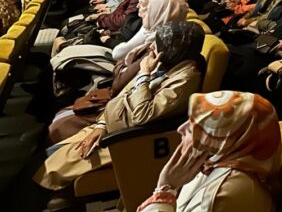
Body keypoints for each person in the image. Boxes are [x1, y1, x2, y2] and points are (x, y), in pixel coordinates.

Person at [36, 20, 206, 191]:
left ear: (174, 48)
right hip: (111, 125)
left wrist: (144, 74)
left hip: (129, 139)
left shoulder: (184, 79)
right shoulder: (166, 64)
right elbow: (123, 95)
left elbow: (142, 114)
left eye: (158, 43)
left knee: (48, 170)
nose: (152, 46)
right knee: (51, 151)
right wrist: (101, 126)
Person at [134, 91, 280, 212]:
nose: (181, 129)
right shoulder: (219, 165)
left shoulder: (227, 193)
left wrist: (164, 189)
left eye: (194, 125)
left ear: (222, 139)